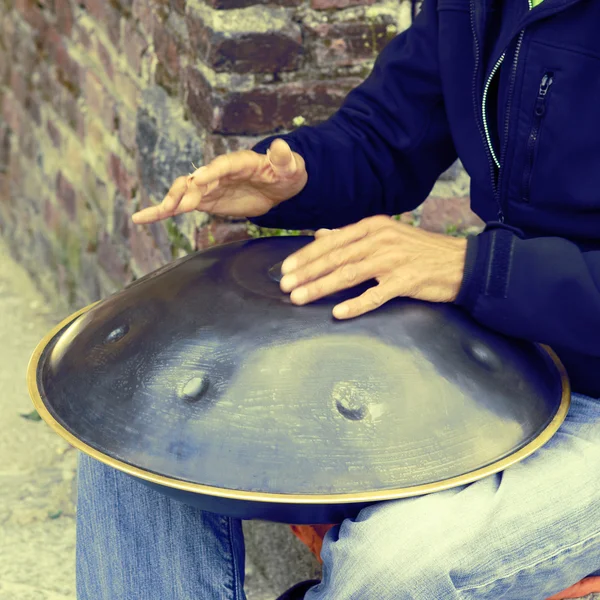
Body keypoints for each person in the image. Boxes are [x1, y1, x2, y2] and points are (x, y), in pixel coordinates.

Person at [76, 0, 600, 598]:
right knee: (134, 410)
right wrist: (296, 177)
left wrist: (475, 268)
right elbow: (388, 136)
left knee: (397, 567)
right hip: (506, 348)